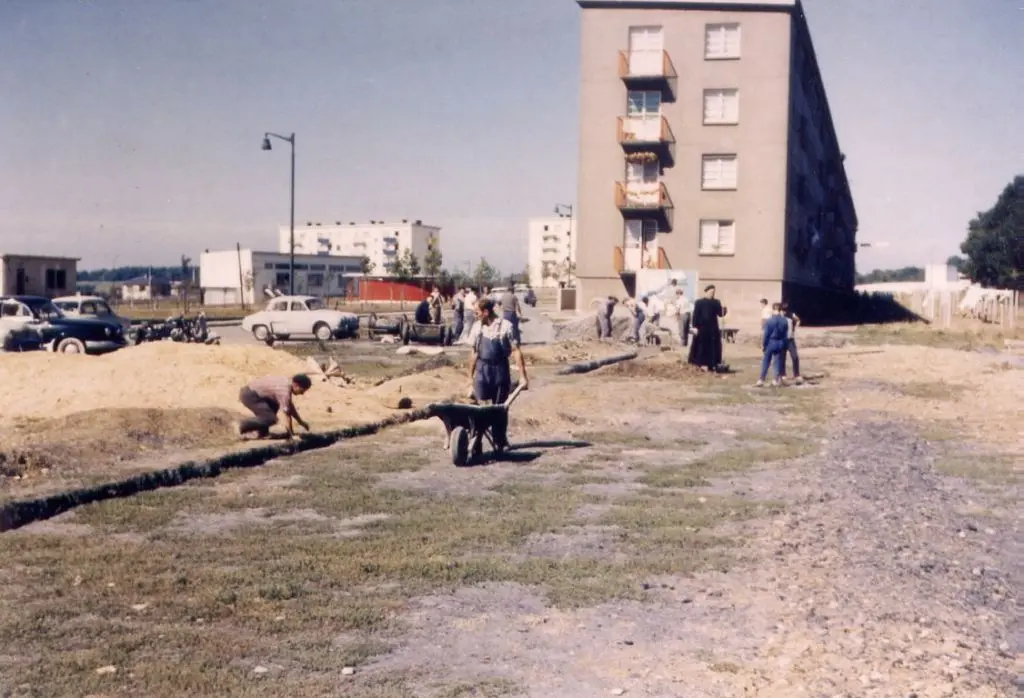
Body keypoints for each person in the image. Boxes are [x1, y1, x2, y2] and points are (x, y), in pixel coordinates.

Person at [467, 298, 529, 451]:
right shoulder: (477, 328)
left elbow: (515, 351)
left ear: (486, 312)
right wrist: (469, 378)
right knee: (479, 409)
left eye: (477, 313)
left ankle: (499, 441)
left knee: (500, 408)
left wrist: (522, 376)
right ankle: (476, 442)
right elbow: (473, 353)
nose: (475, 316)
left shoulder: (506, 326)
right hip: (483, 369)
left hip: (500, 370)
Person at [237, 374, 312, 439]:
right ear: (296, 385)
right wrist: (291, 435)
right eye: (302, 390)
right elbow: (286, 414)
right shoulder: (284, 391)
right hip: (250, 395)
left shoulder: (286, 382)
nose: (302, 393)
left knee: (274, 406)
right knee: (271, 419)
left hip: (254, 393)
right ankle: (241, 425)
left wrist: (300, 422)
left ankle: (261, 433)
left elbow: (289, 406)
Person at [687, 284, 728, 371]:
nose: (712, 294)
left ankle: (713, 363)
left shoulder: (716, 302)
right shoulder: (699, 302)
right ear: (706, 292)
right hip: (702, 328)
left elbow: (720, 314)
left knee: (713, 347)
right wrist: (695, 326)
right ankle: (700, 363)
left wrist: (724, 309)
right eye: (710, 292)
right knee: (701, 346)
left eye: (713, 292)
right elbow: (695, 315)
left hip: (713, 328)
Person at [756, 303, 789, 387]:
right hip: (780, 342)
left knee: (766, 361)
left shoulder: (769, 321)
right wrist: (785, 344)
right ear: (780, 309)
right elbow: (785, 334)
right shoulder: (784, 320)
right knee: (777, 362)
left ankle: (761, 379)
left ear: (773, 309)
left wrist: (763, 344)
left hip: (771, 342)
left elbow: (766, 334)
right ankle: (775, 379)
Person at [779, 302, 802, 383]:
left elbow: (798, 320)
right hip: (781, 339)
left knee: (795, 356)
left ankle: (797, 374)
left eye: (785, 310)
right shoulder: (779, 316)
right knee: (782, 358)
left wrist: (795, 325)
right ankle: (782, 375)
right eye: (782, 310)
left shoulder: (791, 315)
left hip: (790, 339)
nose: (784, 311)